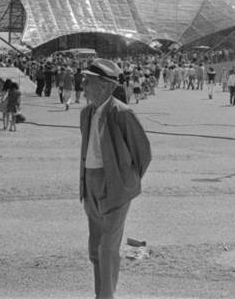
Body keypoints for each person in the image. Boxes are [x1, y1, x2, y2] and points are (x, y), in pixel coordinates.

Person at [79, 59, 152, 299]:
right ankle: (101, 293)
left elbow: (143, 153)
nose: (83, 85)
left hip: (115, 188)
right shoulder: (86, 113)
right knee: (95, 249)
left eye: (87, 81)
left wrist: (125, 181)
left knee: (108, 247)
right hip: (90, 185)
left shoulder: (122, 113)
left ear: (105, 86)